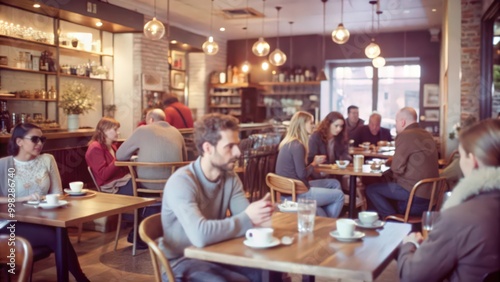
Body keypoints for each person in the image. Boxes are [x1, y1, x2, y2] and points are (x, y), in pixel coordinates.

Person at [159, 113, 273, 281]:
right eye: (230, 146)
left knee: (266, 273)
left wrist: (261, 214)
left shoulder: (230, 177)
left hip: (215, 254)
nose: (238, 152)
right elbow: (200, 235)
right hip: (179, 263)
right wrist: (249, 217)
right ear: (208, 148)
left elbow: (248, 220)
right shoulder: (182, 182)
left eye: (238, 145)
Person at [398, 119, 500, 281]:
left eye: (461, 156)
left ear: (472, 161)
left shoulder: (459, 218)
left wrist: (408, 245)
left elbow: (412, 276)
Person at [0, 123, 89, 282]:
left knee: (58, 231)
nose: (40, 143)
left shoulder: (47, 159)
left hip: (40, 218)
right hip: (9, 223)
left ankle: (78, 279)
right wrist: (21, 199)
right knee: (55, 236)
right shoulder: (3, 165)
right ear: (19, 141)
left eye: (42, 139)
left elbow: (57, 194)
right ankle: (81, 279)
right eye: (35, 139)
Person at [365, 107, 439, 218]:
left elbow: (397, 168)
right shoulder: (426, 134)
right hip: (430, 198)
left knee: (371, 189)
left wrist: (391, 164)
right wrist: (392, 162)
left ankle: (392, 221)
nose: (396, 124)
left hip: (414, 199)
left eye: (396, 121)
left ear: (402, 122)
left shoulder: (405, 135)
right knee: (384, 186)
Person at [276, 111, 345, 218]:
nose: (313, 126)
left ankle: (321, 216)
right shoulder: (297, 145)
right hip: (297, 192)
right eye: (310, 123)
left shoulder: (288, 143)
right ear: (302, 125)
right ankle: (327, 223)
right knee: (340, 196)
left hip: (290, 189)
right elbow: (302, 174)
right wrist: (314, 163)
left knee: (334, 183)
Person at [116, 109, 187, 190]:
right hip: (174, 183)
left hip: (147, 183)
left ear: (151, 120)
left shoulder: (142, 130)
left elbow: (120, 155)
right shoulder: (177, 132)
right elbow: (184, 159)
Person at [85, 117, 132, 195]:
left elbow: (121, 169)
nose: (118, 133)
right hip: (111, 188)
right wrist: (119, 159)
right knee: (143, 187)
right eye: (115, 130)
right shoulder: (95, 147)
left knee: (144, 182)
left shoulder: (112, 146)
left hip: (122, 182)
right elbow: (104, 175)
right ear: (104, 130)